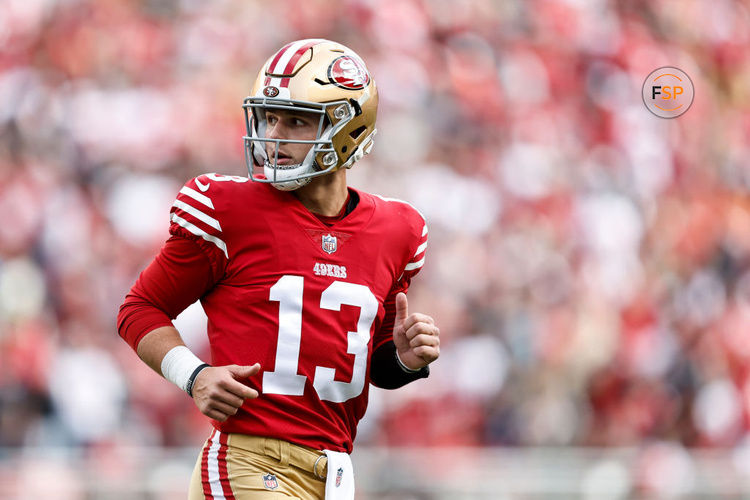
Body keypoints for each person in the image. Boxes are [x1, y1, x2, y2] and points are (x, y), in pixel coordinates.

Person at [117, 39, 440, 500]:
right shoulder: (227, 209)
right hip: (250, 460)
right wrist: (193, 374)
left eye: (296, 120)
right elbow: (141, 307)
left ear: (347, 127)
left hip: (335, 472)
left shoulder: (399, 230)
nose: (275, 133)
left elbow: (367, 367)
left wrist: (404, 359)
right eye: (270, 116)